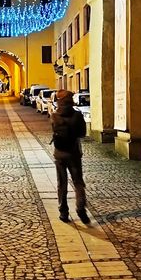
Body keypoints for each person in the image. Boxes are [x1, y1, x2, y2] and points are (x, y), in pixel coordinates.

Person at [51, 89, 89, 223]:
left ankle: (63, 212)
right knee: (78, 182)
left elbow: (54, 130)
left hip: (59, 153)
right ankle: (80, 208)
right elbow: (83, 133)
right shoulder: (77, 115)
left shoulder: (54, 115)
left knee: (62, 183)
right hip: (74, 153)